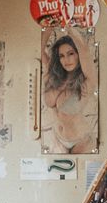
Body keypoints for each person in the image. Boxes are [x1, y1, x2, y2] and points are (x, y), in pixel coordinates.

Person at [42, 25, 98, 154]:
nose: (66, 60)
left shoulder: (87, 80)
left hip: (81, 140)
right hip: (58, 138)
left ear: (78, 55)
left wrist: (68, 27)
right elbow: (40, 49)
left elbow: (84, 50)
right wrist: (48, 27)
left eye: (70, 54)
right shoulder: (55, 78)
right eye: (61, 56)